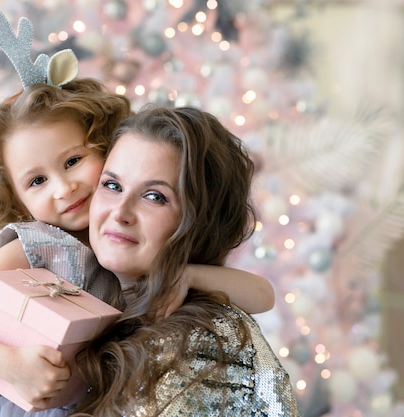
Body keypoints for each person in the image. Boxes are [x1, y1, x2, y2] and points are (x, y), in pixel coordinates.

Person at [0, 80, 276, 417]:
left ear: (103, 149)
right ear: (18, 198)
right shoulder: (40, 248)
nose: (64, 188)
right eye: (37, 181)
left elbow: (263, 294)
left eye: (73, 161)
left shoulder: (136, 264)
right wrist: (12, 365)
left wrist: (188, 274)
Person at [72, 105, 300, 416]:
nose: (120, 213)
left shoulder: (205, 343)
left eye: (155, 196)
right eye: (112, 185)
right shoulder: (73, 283)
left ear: (200, 221)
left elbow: (264, 294)